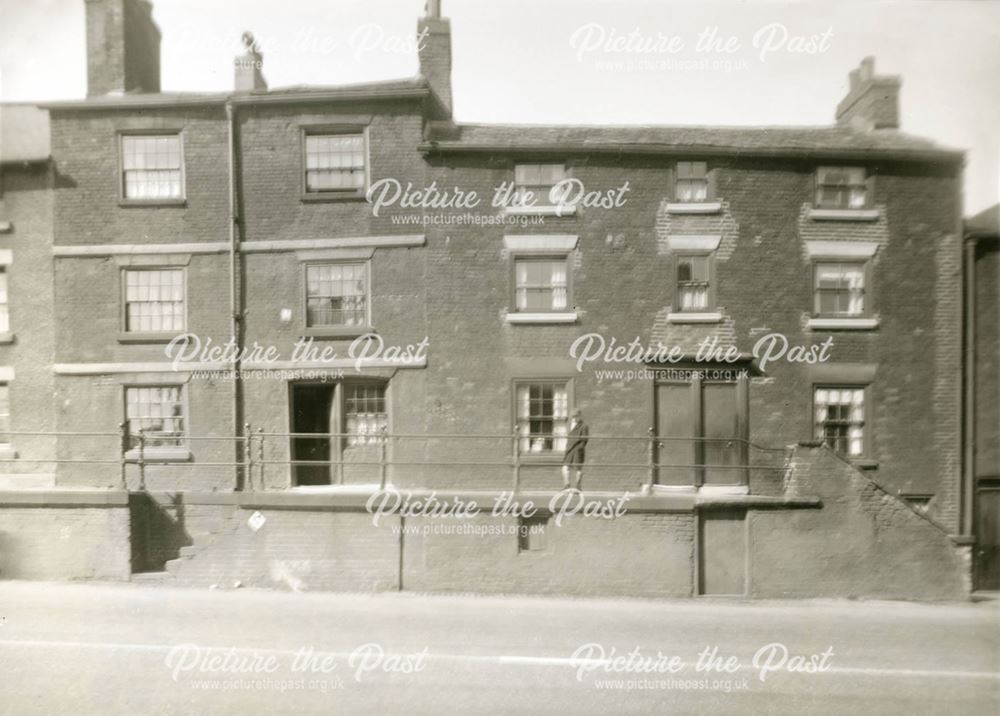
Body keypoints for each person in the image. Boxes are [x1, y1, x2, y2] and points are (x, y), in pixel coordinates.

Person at [562, 410, 589, 490]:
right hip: (569, 449)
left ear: (579, 416)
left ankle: (578, 486)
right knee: (565, 467)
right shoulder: (569, 424)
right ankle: (566, 485)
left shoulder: (584, 426)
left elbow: (585, 439)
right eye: (573, 416)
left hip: (577, 449)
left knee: (578, 467)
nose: (574, 418)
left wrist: (580, 448)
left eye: (576, 416)